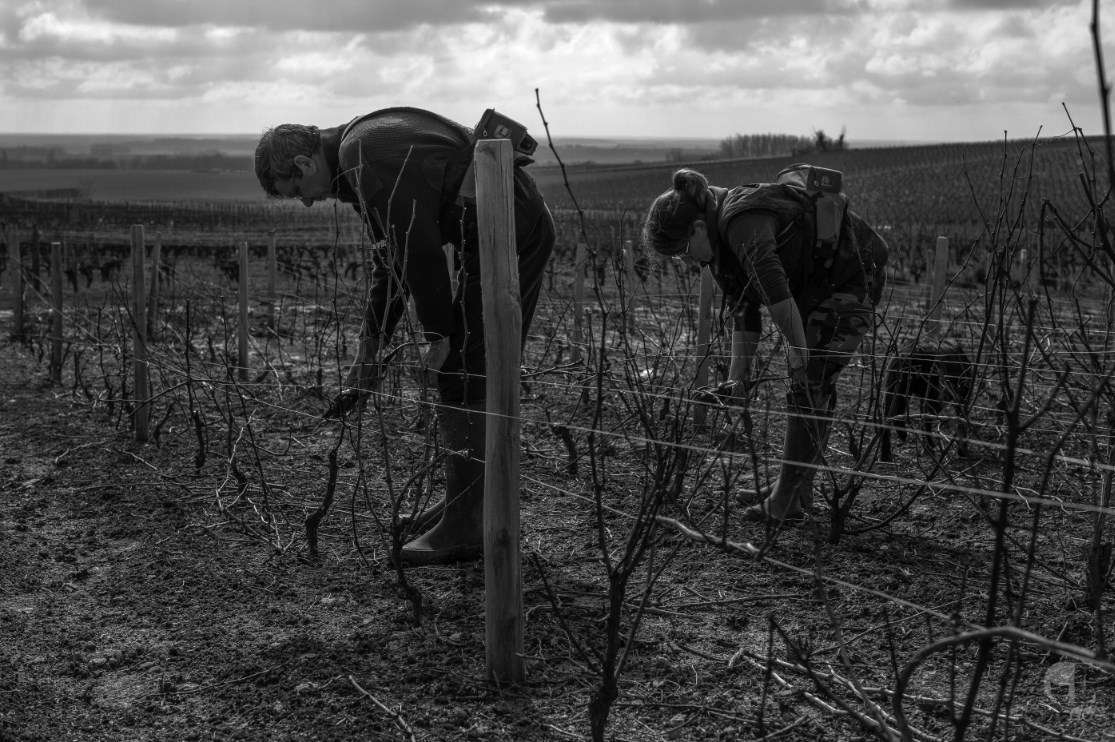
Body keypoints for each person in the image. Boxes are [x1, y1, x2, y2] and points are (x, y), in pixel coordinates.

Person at [254, 107, 555, 563]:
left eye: (297, 191)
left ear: (303, 165)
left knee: (463, 366)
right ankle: (468, 502)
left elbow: (419, 248)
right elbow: (390, 258)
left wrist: (439, 334)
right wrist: (370, 345)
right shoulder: (357, 156)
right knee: (464, 366)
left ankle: (469, 522)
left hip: (512, 230)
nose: (307, 202)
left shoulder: (364, 156)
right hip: (496, 227)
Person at [642, 165, 888, 524]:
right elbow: (744, 311)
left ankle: (786, 499)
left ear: (697, 228)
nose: (688, 260)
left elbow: (775, 291)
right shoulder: (719, 245)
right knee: (809, 384)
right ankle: (795, 487)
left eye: (683, 251)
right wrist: (739, 382)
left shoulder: (741, 222)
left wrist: (801, 356)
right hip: (816, 286)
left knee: (810, 382)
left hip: (853, 275)